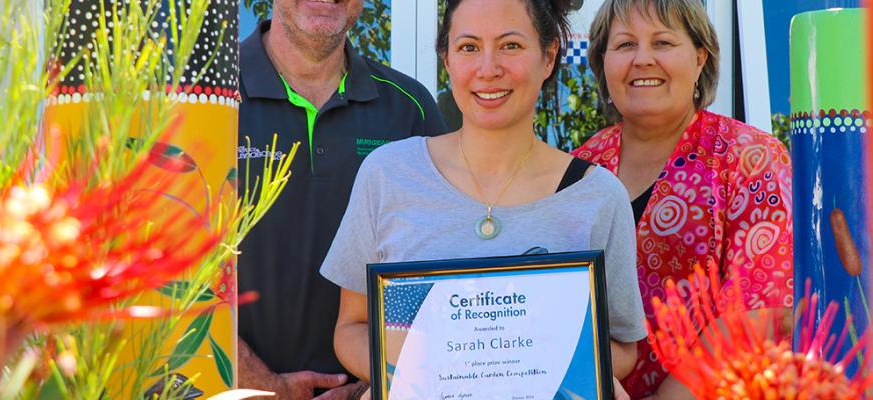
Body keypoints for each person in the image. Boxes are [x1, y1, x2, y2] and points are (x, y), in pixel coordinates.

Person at [317, 0, 645, 398]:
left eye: (510, 45)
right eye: (469, 47)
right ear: (447, 59)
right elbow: (350, 328)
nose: (488, 68)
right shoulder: (387, 175)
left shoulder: (598, 196)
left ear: (548, 57)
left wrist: (537, 370)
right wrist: (424, 375)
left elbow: (624, 346)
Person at [572, 0, 795, 398]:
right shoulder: (580, 167)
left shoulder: (750, 157)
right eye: (624, 45)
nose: (642, 59)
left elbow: (764, 312)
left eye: (662, 42)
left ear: (699, 58)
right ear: (603, 65)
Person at [236, 0, 448, 398]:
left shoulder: (411, 110)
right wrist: (260, 386)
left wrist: (372, 386)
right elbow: (163, 271)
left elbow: (444, 272)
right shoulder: (206, 98)